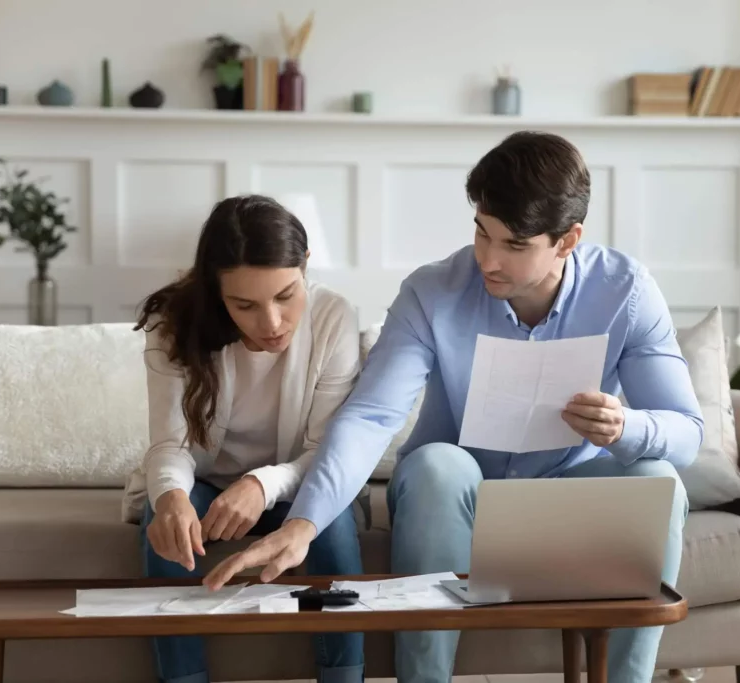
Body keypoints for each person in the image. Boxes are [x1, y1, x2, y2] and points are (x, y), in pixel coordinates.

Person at [202, 132, 704, 683]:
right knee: (438, 464)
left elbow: (686, 434)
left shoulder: (626, 291)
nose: (487, 259)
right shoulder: (432, 291)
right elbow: (371, 416)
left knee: (658, 477)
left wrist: (626, 425)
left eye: (515, 246)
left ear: (567, 241)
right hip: (456, 496)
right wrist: (303, 524)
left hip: (571, 497)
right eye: (481, 233)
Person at [121, 194, 366, 683]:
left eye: (285, 295)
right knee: (165, 518)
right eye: (245, 304)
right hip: (206, 481)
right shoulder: (175, 325)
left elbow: (325, 453)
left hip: (293, 482)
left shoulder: (334, 317)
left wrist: (260, 485)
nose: (272, 323)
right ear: (217, 291)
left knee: (331, 522)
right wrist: (170, 496)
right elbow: (169, 445)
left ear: (306, 267)